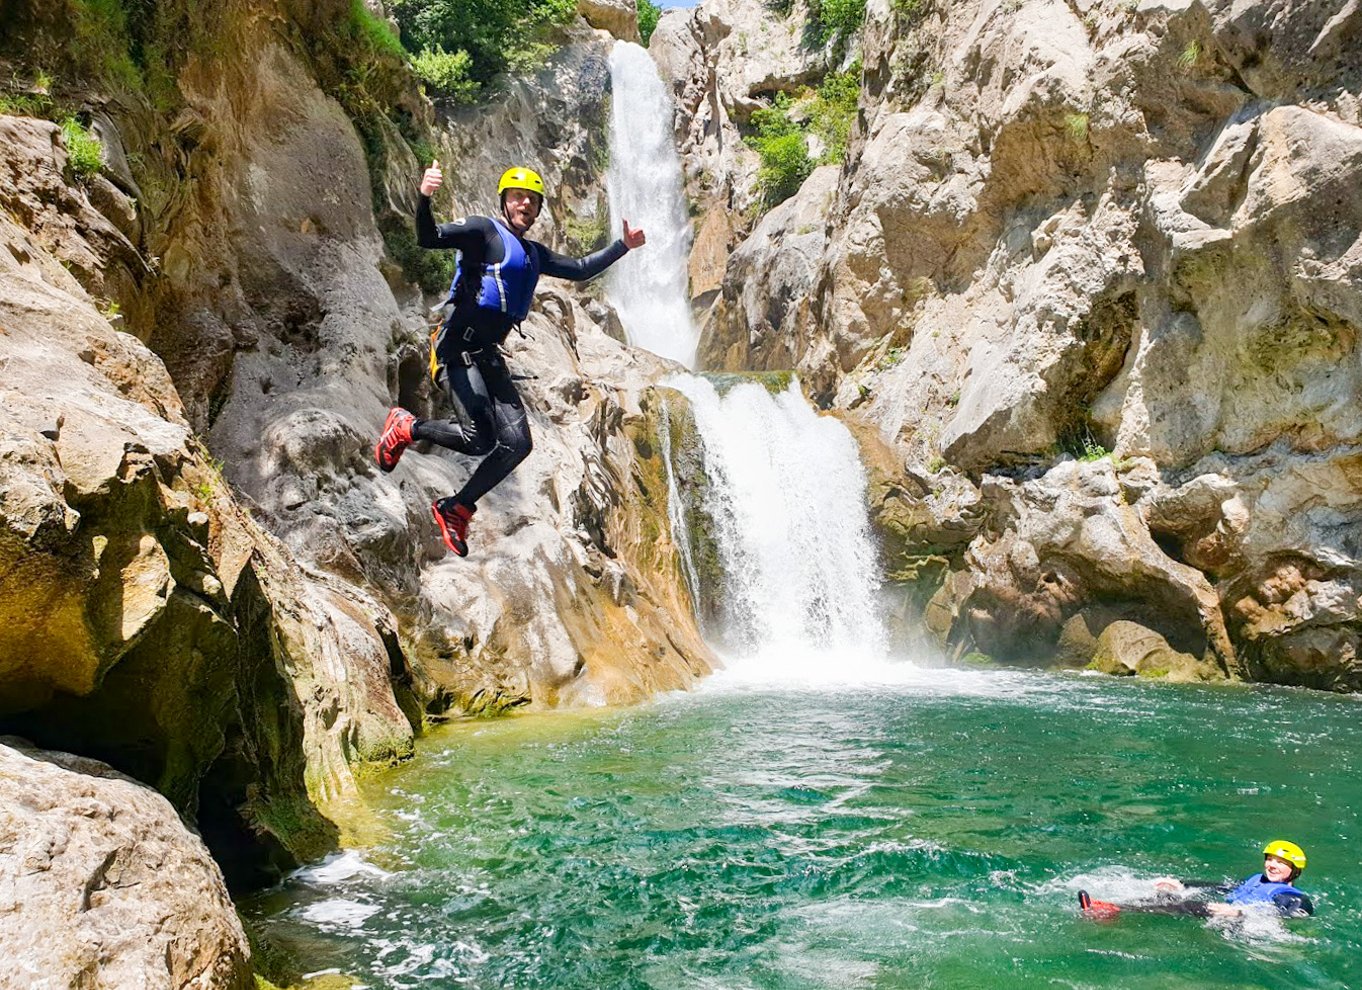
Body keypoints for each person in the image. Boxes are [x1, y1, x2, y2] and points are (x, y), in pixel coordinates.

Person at [374, 161, 646, 556]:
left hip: (488, 355)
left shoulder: (534, 254)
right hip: (457, 348)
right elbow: (429, 237)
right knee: (477, 437)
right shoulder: (484, 231)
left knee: (518, 443)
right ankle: (406, 426)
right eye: (518, 197)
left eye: (533, 201)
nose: (525, 204)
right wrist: (425, 196)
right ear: (504, 200)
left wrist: (624, 246)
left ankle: (456, 507)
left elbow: (580, 268)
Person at [1078, 839, 1314, 920]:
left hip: (1244, 924)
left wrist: (1241, 913)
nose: (1272, 865)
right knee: (1168, 894)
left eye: (1281, 863)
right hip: (1227, 913)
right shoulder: (1257, 879)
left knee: (1189, 906)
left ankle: (1114, 909)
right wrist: (1182, 883)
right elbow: (1222, 886)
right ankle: (1115, 907)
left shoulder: (1294, 897)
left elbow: (1290, 915)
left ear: (1294, 871)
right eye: (1270, 859)